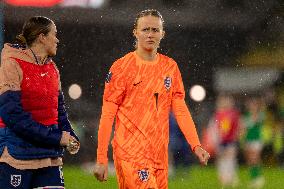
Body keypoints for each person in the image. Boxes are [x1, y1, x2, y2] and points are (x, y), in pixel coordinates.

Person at [93, 9, 210, 189]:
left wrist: (196, 145)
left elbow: (180, 110)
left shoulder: (170, 67)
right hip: (130, 152)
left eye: (155, 30)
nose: (150, 34)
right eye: (145, 29)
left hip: (159, 156)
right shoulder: (121, 68)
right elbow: (108, 114)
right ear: (135, 32)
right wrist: (101, 158)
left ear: (163, 33)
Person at [0, 16, 80, 189]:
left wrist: (70, 135)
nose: (57, 40)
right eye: (55, 34)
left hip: (49, 158)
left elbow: (59, 111)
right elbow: (13, 116)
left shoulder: (53, 69)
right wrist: (57, 137)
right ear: (42, 37)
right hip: (17, 156)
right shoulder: (11, 64)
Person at [207, 94, 241, 188]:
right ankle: (224, 177)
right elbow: (214, 128)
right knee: (222, 160)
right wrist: (215, 139)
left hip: (230, 141)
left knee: (230, 159)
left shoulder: (233, 114)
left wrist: (236, 136)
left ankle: (232, 178)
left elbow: (235, 127)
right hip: (221, 141)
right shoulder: (218, 115)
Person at [242, 95, 265, 189]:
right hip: (248, 139)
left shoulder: (260, 115)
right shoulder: (246, 115)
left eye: (253, 104)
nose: (252, 106)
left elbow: (255, 122)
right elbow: (244, 128)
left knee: (255, 158)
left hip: (256, 139)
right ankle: (253, 178)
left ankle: (258, 178)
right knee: (250, 160)